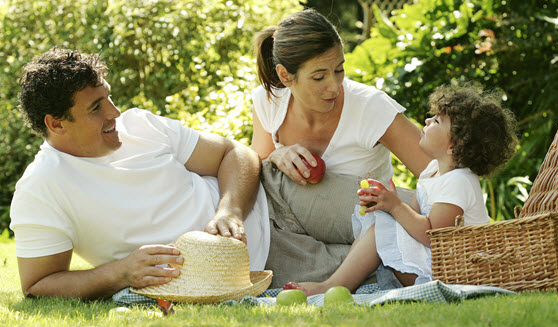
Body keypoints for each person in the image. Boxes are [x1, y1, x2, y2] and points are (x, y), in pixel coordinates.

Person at [10, 47, 270, 299]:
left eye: (108, 97)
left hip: (275, 198)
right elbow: (37, 284)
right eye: (96, 107)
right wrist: (120, 273)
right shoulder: (40, 187)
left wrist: (230, 211)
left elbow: (236, 153)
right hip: (253, 268)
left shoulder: (140, 125)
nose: (115, 112)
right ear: (56, 124)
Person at [251, 8, 432, 287]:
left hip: (371, 227)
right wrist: (277, 153)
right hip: (301, 232)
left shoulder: (371, 107)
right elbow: (260, 172)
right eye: (319, 77)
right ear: (286, 75)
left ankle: (368, 271)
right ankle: (366, 275)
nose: (334, 86)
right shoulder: (269, 102)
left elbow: (438, 172)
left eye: (339, 70)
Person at [286, 83, 518, 295]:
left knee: (381, 228)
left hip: (452, 273)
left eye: (437, 121)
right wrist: (386, 203)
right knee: (379, 219)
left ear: (455, 146)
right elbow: (412, 217)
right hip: (434, 264)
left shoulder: (459, 182)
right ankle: (340, 281)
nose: (427, 121)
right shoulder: (432, 172)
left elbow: (433, 237)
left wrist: (395, 206)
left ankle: (332, 286)